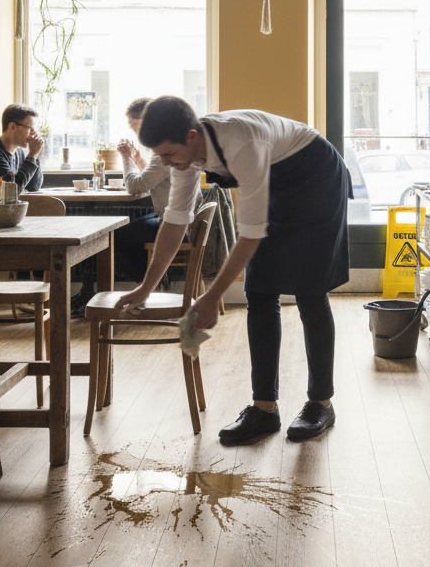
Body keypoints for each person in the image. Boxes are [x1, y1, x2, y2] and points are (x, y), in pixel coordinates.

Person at [115, 96, 350, 445]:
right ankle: (264, 408)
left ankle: (321, 403)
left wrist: (212, 297)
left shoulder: (242, 143)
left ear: (192, 136)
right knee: (259, 292)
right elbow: (176, 221)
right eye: (160, 157)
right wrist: (146, 287)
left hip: (316, 176)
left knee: (310, 292)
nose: (165, 164)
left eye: (168, 155)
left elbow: (251, 233)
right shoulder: (187, 157)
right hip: (276, 177)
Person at [69, 97, 184, 315]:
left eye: (137, 128)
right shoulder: (166, 146)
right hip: (171, 216)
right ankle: (149, 287)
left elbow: (135, 186)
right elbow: (151, 180)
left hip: (175, 221)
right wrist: (138, 158)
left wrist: (125, 157)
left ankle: (147, 289)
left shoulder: (164, 152)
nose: (138, 135)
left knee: (117, 239)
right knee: (122, 233)